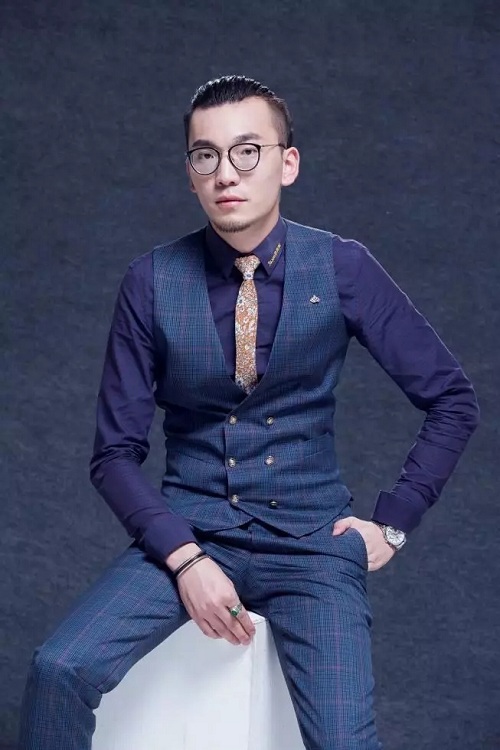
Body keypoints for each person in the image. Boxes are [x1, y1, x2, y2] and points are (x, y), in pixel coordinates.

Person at [18, 75, 479, 750]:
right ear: (190, 173)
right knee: (59, 669)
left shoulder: (343, 267)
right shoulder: (151, 281)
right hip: (192, 531)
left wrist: (394, 523)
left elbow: (452, 399)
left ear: (287, 163)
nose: (226, 173)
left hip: (313, 545)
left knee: (346, 743)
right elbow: (113, 454)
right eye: (206, 155)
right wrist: (184, 558)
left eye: (247, 151)